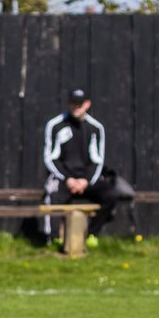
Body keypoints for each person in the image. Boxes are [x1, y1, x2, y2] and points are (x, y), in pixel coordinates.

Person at [40, 88, 132, 244]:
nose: (76, 107)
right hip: (63, 178)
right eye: (73, 103)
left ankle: (90, 235)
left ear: (87, 104)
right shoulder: (55, 125)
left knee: (111, 194)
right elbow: (50, 158)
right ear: (69, 103)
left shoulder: (95, 128)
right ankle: (53, 239)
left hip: (86, 180)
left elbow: (97, 160)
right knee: (53, 194)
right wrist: (68, 178)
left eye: (80, 104)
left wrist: (86, 181)